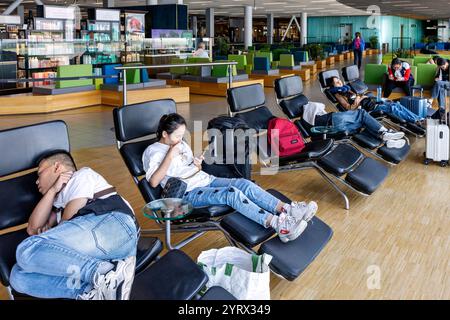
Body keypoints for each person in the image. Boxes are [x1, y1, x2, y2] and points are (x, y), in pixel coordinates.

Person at [142, 114, 319, 244]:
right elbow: (154, 182)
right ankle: (279, 225)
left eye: (182, 136)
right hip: (187, 194)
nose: (181, 140)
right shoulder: (153, 151)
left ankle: (288, 210)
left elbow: (191, 168)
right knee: (232, 193)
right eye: (177, 136)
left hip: (205, 179)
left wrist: (196, 163)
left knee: (244, 183)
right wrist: (170, 156)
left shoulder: (181, 145)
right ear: (165, 134)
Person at [9, 151, 139, 300]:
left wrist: (50, 236)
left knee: (26, 249)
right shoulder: (58, 206)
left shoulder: (81, 176)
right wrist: (52, 191)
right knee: (18, 276)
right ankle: (96, 290)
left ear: (57, 167)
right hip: (100, 252)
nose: (37, 181)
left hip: (115, 229)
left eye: (39, 174)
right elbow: (33, 228)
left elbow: (69, 221)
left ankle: (104, 273)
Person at [302, 101, 406, 149]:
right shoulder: (310, 108)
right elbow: (319, 105)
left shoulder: (311, 121)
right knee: (362, 113)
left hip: (335, 128)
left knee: (364, 125)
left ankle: (387, 141)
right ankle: (384, 132)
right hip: (334, 120)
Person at [329, 76, 423, 124]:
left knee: (396, 104)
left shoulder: (346, 88)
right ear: (333, 86)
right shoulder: (338, 94)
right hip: (368, 109)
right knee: (392, 108)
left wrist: (361, 97)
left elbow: (359, 96)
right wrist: (359, 98)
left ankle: (419, 118)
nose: (339, 82)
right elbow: (349, 108)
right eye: (336, 82)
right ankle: (415, 121)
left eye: (339, 80)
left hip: (370, 102)